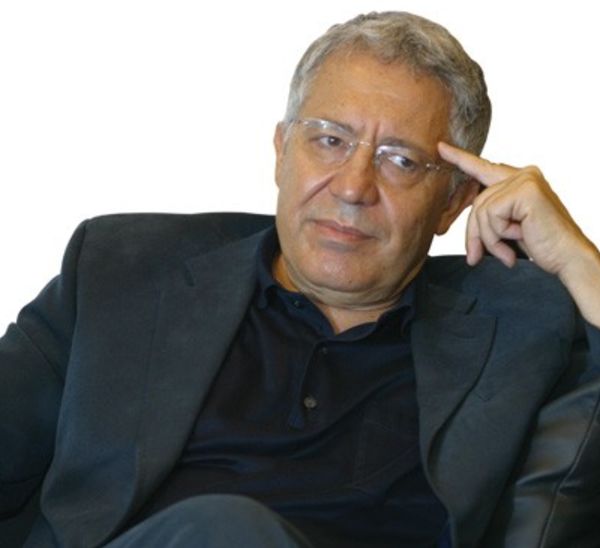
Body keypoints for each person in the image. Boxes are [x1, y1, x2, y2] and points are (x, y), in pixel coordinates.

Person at [1, 10, 599, 548]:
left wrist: (581, 262)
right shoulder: (123, 269)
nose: (353, 187)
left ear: (454, 201)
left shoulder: (527, 324)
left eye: (400, 160)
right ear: (282, 150)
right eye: (330, 140)